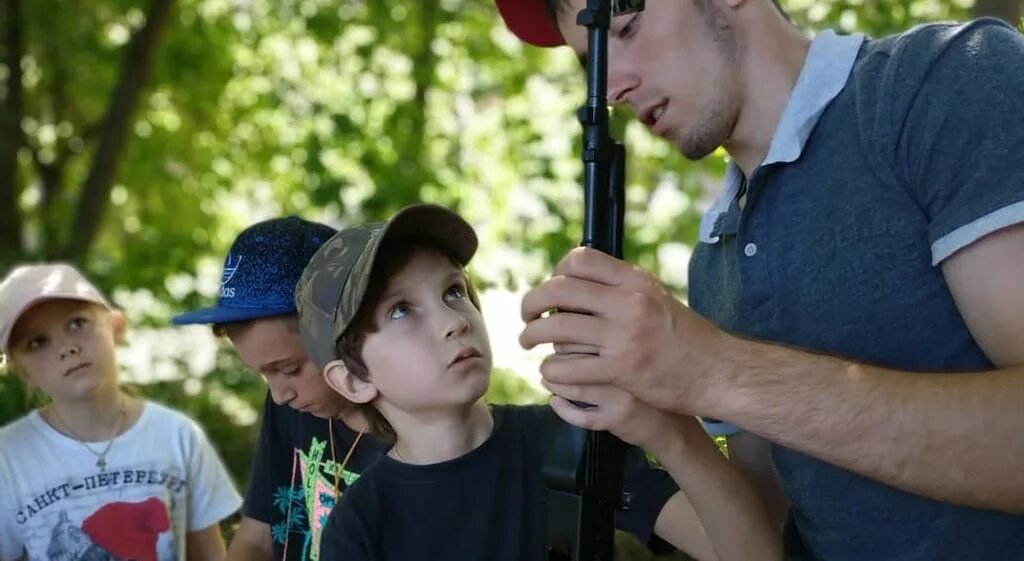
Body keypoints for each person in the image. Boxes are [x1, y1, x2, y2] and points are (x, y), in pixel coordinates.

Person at [489, 0, 1024, 559]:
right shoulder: (714, 258)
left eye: (626, 29)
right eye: (591, 62)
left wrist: (710, 367)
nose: (611, 85)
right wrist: (666, 424)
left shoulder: (941, 82)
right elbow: (763, 541)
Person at [294, 203, 780, 561]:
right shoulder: (360, 523)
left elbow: (752, 555)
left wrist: (668, 432)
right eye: (401, 310)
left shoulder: (566, 439)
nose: (453, 320)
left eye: (453, 291)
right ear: (353, 380)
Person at [172, 216, 386, 561]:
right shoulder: (290, 406)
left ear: (347, 331)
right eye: (264, 375)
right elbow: (257, 540)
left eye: (288, 369)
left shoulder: (415, 434)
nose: (278, 394)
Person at [0, 263, 241, 561]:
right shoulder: (8, 458)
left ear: (116, 326)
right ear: (21, 371)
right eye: (37, 342)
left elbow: (209, 554)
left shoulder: (177, 435)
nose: (66, 347)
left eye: (77, 323)